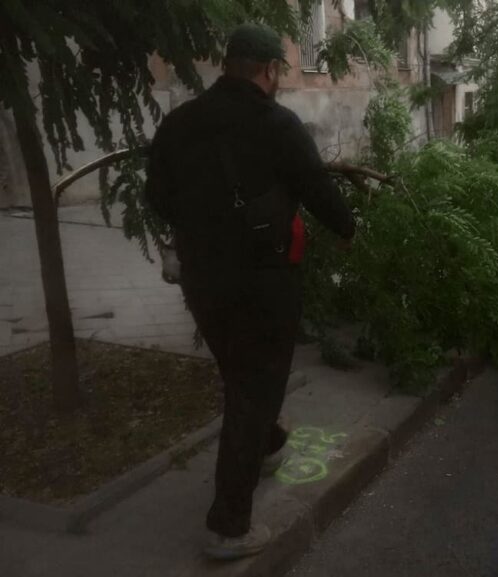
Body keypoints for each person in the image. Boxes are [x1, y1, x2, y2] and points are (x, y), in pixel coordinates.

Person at [144, 23, 355, 560]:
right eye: (278, 71)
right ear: (268, 70)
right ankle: (228, 526)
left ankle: (266, 443)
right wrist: (353, 231)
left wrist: (206, 228)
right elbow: (319, 190)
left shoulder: (180, 122)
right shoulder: (277, 125)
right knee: (255, 388)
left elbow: (157, 198)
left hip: (203, 280)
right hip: (263, 281)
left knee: (242, 377)